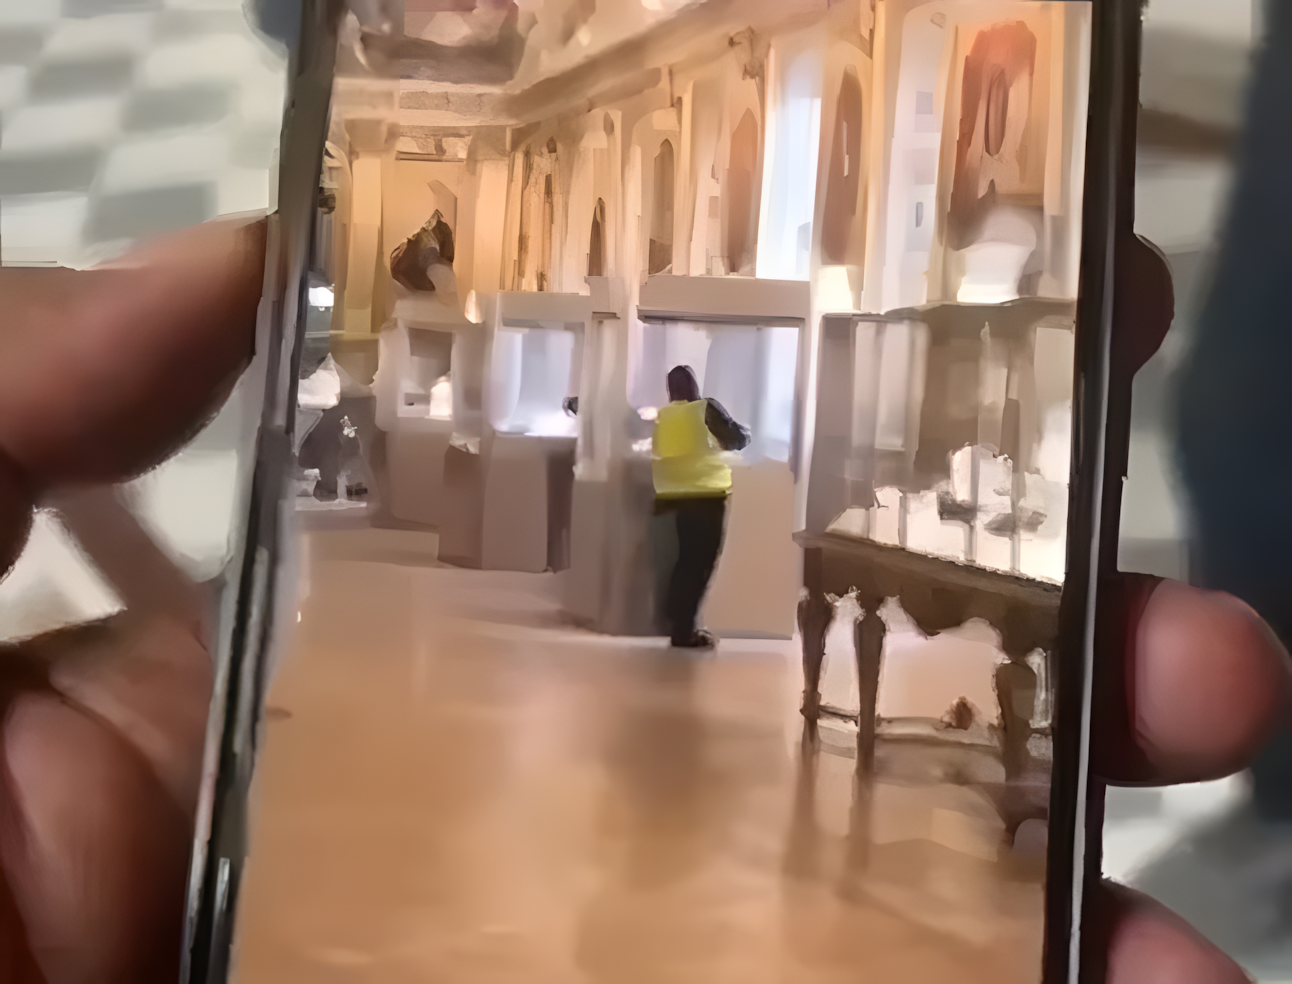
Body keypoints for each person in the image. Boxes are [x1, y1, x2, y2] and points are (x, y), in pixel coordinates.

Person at [0, 217, 1281, 983]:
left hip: (683, 506)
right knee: (684, 579)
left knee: (684, 578)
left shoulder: (680, 416)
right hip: (691, 507)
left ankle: (678, 624)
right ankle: (677, 625)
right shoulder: (692, 417)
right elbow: (721, 435)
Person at [652, 365, 752, 648]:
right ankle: (685, 631)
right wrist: (748, 433)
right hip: (706, 496)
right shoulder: (704, 408)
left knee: (685, 562)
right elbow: (735, 440)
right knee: (700, 565)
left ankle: (678, 624)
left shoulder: (665, 415)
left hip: (673, 496)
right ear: (694, 384)